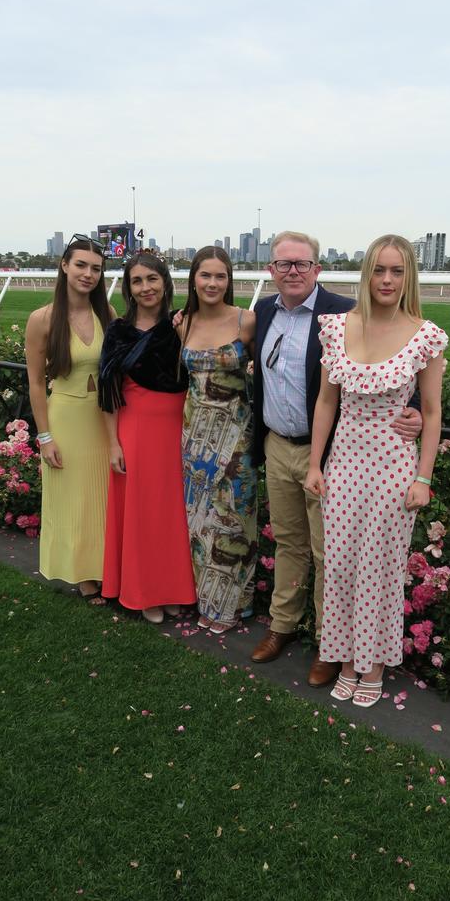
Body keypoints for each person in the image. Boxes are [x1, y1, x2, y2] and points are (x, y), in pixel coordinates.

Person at [250, 231, 423, 686]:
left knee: (332, 554)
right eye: (283, 264)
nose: (292, 271)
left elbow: (404, 368)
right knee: (288, 544)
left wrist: (418, 415)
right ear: (271, 270)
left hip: (330, 455)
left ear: (317, 269)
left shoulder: (344, 313)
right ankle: (282, 626)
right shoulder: (263, 311)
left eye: (301, 264)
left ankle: (332, 646)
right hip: (276, 445)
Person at [304, 235, 447, 706]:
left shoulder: (424, 335)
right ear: (367, 273)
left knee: (381, 569)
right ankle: (346, 659)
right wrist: (315, 464)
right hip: (343, 462)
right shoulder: (337, 327)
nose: (387, 280)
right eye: (379, 270)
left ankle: (375, 665)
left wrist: (423, 478)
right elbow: (327, 401)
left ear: (409, 276)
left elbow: (431, 411)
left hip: (393, 467)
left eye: (397, 271)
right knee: (341, 565)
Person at [98, 252, 196, 621]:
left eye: (152, 279)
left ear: (165, 282)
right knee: (142, 516)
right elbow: (107, 393)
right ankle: (145, 593)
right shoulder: (118, 331)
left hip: (178, 431)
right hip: (135, 432)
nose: (145, 288)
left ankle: (174, 589)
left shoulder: (182, 324)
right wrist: (113, 443)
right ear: (129, 288)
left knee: (173, 516)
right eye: (137, 281)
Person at [25, 234, 114, 604]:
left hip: (104, 418)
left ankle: (107, 567)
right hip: (66, 418)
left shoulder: (108, 315)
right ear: (64, 265)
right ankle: (83, 574)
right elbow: (34, 383)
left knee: (104, 498)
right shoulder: (42, 319)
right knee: (74, 500)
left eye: (96, 268)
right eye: (81, 265)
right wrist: (45, 437)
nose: (88, 274)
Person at [179, 246, 257, 633]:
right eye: (205, 275)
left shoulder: (247, 321)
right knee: (200, 524)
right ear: (193, 279)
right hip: (194, 438)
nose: (212, 283)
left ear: (229, 280)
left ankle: (231, 607)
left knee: (233, 525)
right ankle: (204, 601)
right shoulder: (182, 322)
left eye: (220, 276)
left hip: (236, 441)